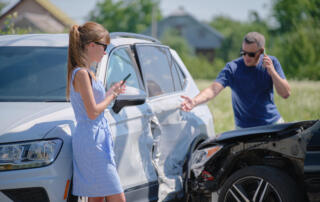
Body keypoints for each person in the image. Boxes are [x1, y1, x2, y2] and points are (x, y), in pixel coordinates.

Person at [66, 22, 126, 202]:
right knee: (117, 198)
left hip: (96, 139)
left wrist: (109, 93)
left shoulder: (87, 73)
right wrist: (111, 95)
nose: (105, 51)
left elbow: (93, 107)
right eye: (104, 46)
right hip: (92, 141)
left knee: (98, 198)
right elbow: (92, 112)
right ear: (92, 45)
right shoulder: (82, 74)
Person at [181, 32, 291, 129]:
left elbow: (285, 94)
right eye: (243, 52)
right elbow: (213, 89)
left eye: (251, 54)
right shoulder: (233, 68)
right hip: (244, 129)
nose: (246, 57)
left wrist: (272, 72)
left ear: (261, 51)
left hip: (272, 124)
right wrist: (194, 102)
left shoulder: (272, 63)